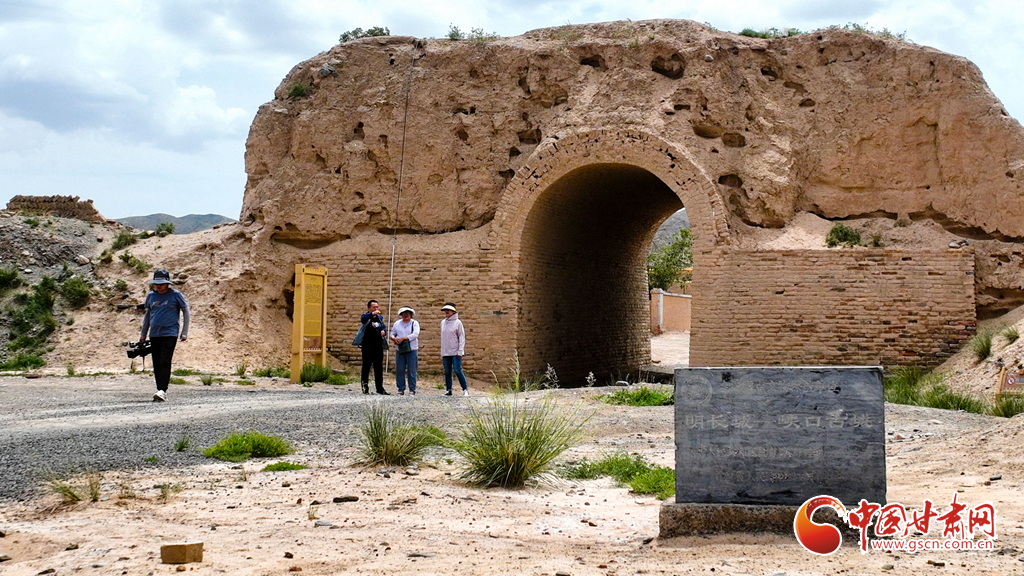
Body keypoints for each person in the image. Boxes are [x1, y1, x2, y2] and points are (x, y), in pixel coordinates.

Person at [139, 269, 190, 402]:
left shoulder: (175, 295)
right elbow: (148, 315)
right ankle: (159, 389)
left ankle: (163, 390)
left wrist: (184, 332)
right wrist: (143, 334)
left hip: (170, 333)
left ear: (167, 283)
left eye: (161, 283)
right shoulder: (151, 296)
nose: (159, 286)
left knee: (165, 360)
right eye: (156, 283)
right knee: (156, 362)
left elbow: (185, 310)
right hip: (155, 334)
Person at [359, 300, 389, 395]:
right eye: (374, 307)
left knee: (378, 368)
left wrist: (384, 331)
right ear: (369, 308)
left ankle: (379, 388)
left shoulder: (380, 318)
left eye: (377, 307)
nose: (376, 309)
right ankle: (365, 388)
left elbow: (383, 327)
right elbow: (363, 320)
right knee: (366, 367)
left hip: (378, 346)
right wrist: (372, 314)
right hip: (367, 346)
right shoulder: (366, 317)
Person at [440, 302, 469, 396]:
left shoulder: (458, 323)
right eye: (445, 310)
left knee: (457, 370)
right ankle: (449, 389)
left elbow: (461, 337)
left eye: (449, 310)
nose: (447, 311)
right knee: (447, 371)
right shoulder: (443, 323)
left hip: (455, 351)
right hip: (446, 351)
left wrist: (460, 350)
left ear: (453, 311)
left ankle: (465, 389)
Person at [390, 306, 420, 395]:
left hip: (412, 349)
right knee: (400, 369)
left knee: (412, 370)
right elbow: (392, 333)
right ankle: (401, 388)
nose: (405, 315)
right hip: (400, 349)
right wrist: (394, 338)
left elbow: (415, 334)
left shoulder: (414, 323)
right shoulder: (397, 323)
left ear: (411, 314)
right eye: (403, 314)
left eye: (407, 313)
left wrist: (404, 338)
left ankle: (412, 389)